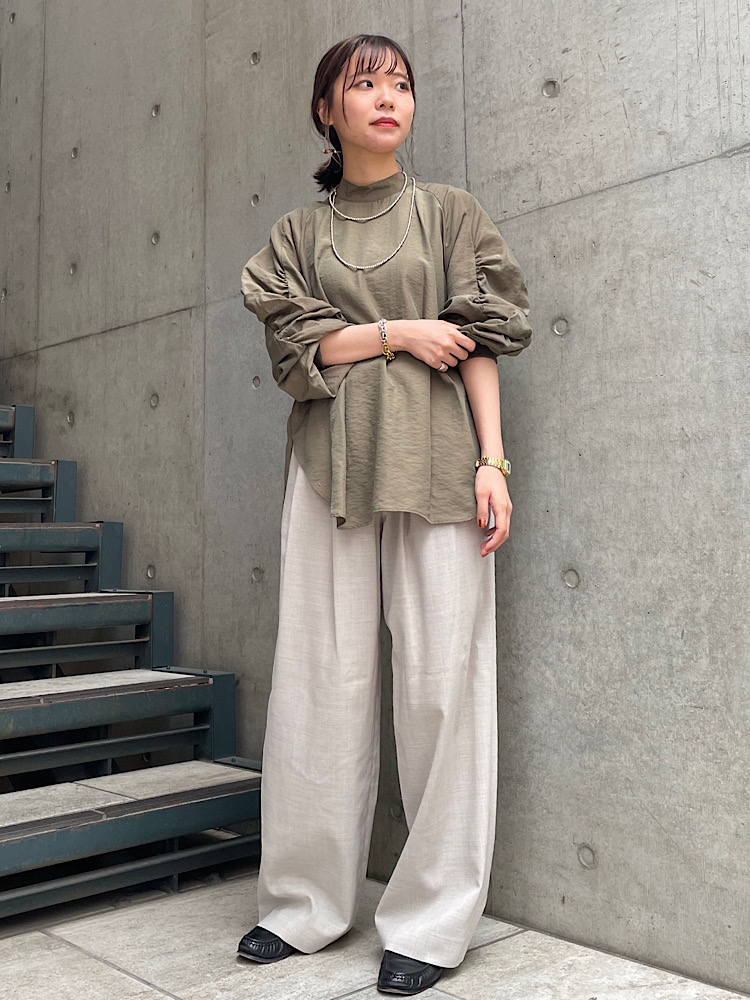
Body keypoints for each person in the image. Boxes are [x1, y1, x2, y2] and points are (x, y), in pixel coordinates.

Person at [236, 33, 532, 997]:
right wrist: (401, 330)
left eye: (400, 82)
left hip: (442, 468)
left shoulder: (450, 214)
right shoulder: (295, 235)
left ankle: (434, 923)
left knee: (445, 692)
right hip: (330, 471)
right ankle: (303, 905)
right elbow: (299, 350)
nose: (387, 96)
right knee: (317, 685)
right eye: (365, 83)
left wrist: (494, 462)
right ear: (327, 110)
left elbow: (481, 342)